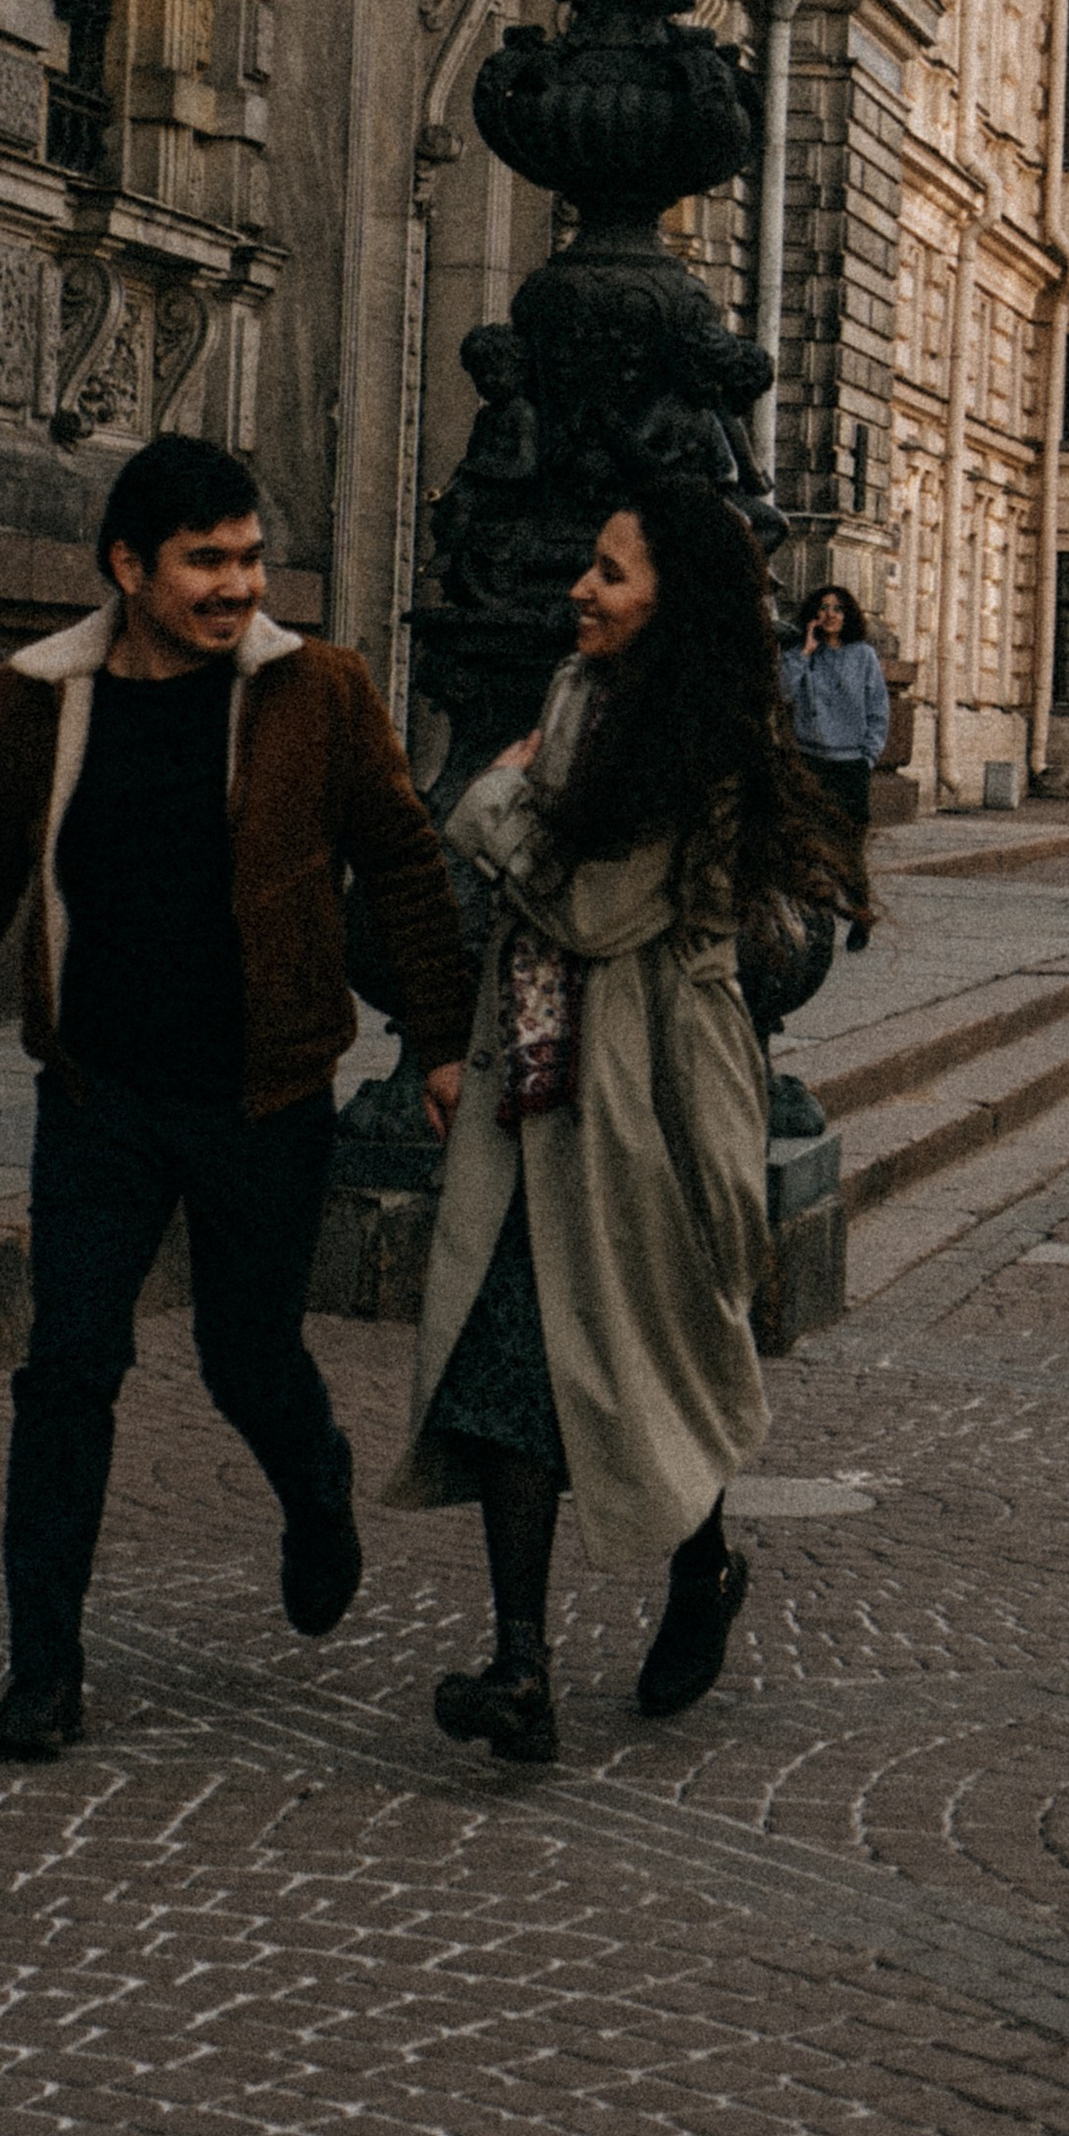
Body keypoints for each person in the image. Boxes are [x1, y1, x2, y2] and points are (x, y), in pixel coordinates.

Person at [0, 434, 470, 1761]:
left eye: (250, 558)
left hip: (263, 1095)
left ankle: (317, 1490)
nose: (238, 585)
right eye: (208, 561)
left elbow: (406, 863)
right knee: (67, 1366)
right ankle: (44, 1672)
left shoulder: (319, 691)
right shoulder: (38, 701)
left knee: (246, 1357)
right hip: (100, 1092)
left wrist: (443, 1038)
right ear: (129, 569)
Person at [387, 474, 871, 1765]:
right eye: (588, 568)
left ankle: (701, 1568)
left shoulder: (697, 734)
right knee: (509, 1358)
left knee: (641, 1353)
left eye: (611, 572)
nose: (580, 591)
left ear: (676, 599)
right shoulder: (580, 693)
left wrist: (492, 801)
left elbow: (597, 911)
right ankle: (522, 1671)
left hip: (647, 1091)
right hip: (545, 1079)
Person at [779, 582, 890, 950]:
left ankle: (860, 915)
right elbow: (783, 693)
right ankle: (812, 922)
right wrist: (804, 653)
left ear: (848, 616)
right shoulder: (800, 654)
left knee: (848, 849)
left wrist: (867, 758)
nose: (830, 614)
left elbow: (878, 712)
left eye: (838, 609)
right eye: (824, 607)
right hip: (810, 762)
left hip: (849, 767)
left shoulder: (864, 657)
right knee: (806, 844)